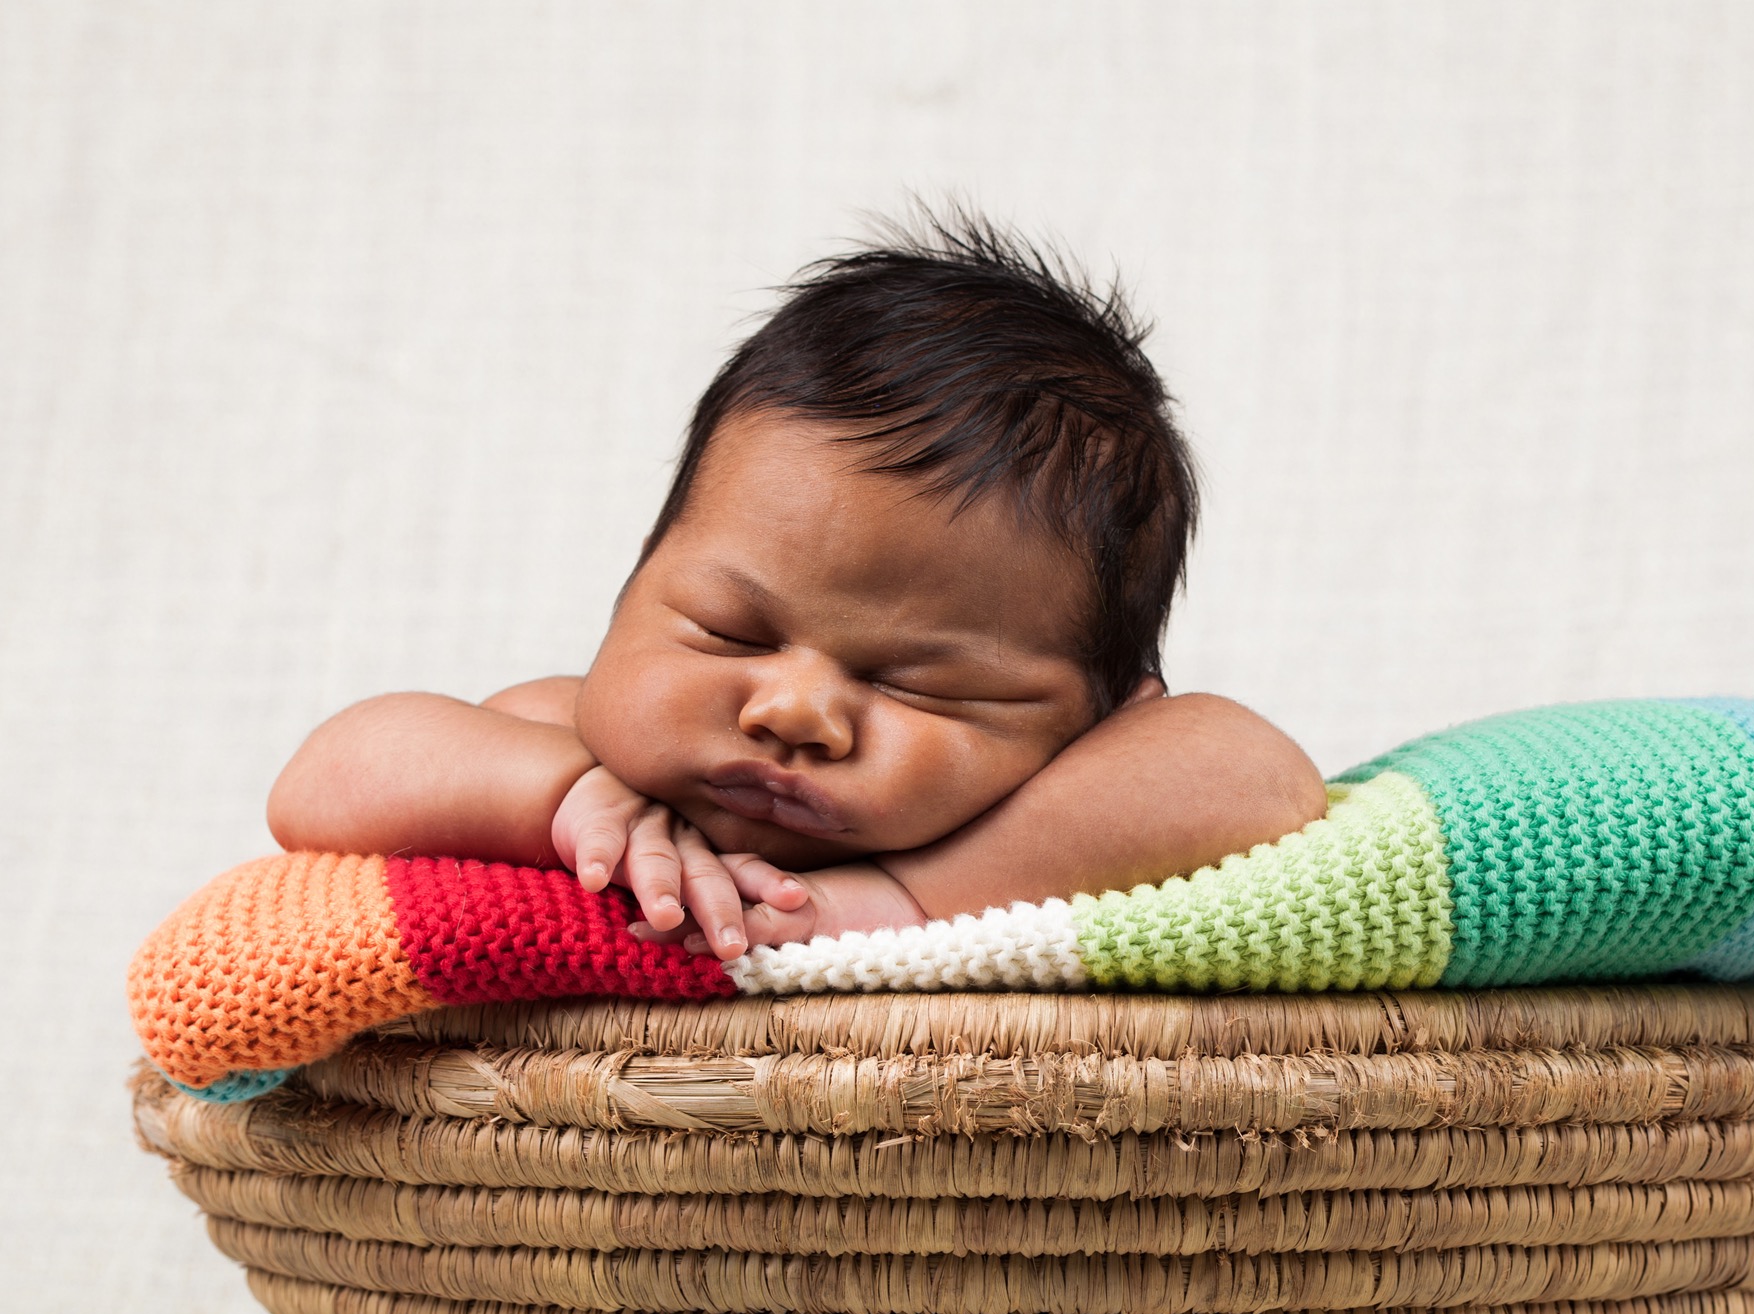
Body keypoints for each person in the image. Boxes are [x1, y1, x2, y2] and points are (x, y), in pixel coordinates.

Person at [266, 212, 1327, 962]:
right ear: (639, 574)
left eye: (924, 684)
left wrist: (905, 901)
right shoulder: (570, 749)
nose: (794, 712)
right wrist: (562, 798)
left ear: (1103, 719)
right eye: (730, 631)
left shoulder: (1065, 799)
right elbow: (324, 781)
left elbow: (1259, 781)